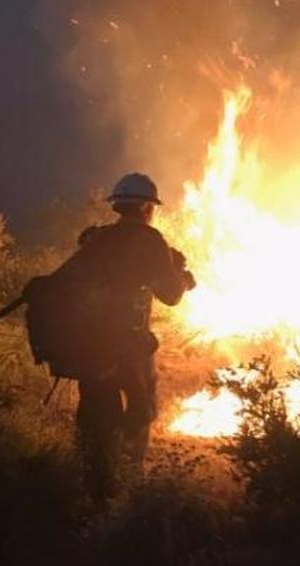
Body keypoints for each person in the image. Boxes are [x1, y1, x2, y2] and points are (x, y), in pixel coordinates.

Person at [56, 172, 195, 506]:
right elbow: (171, 295)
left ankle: (92, 485)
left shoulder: (97, 240)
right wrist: (183, 278)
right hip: (130, 347)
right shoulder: (151, 241)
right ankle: (129, 490)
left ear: (118, 205)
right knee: (140, 412)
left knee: (95, 414)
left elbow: (67, 280)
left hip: (90, 345)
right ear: (148, 207)